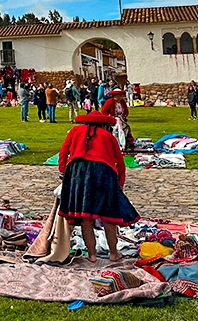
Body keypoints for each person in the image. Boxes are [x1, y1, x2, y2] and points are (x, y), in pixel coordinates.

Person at [57, 112, 139, 263]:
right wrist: (120, 184)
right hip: (104, 173)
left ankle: (92, 255)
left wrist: (63, 170)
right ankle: (113, 253)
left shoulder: (75, 131)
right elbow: (120, 162)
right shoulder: (108, 136)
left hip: (78, 173)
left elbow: (64, 151)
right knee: (109, 216)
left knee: (85, 216)